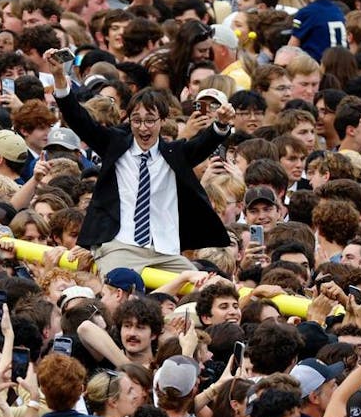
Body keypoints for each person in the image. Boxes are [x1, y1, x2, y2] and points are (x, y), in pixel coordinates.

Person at [46, 47, 234, 275]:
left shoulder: (175, 153)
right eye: (137, 120)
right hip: (120, 245)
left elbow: (204, 142)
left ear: (162, 121)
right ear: (128, 120)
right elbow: (79, 119)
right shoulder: (114, 143)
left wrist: (221, 124)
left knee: (200, 287)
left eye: (150, 120)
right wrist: (58, 76)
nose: (143, 127)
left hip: (165, 249)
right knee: (116, 289)